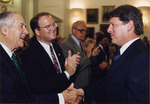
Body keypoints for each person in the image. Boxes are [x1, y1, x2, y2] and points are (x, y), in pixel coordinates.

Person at [0, 11, 79, 104]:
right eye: (21, 26)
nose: (26, 32)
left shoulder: (12, 56)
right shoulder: (27, 54)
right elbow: (16, 99)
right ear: (4, 29)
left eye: (53, 25)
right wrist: (61, 97)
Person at [77, 5, 149, 104]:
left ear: (129, 25)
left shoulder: (141, 58)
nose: (108, 30)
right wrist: (81, 92)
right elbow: (108, 81)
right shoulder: (124, 52)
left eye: (113, 25)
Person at [21, 12, 80, 96]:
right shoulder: (30, 54)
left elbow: (64, 76)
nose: (53, 28)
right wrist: (67, 73)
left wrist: (72, 65)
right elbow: (40, 86)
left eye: (53, 24)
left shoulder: (56, 47)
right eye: (48, 26)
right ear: (37, 31)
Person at [60, 21, 100, 89]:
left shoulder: (82, 43)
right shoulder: (66, 44)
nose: (84, 33)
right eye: (81, 30)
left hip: (85, 83)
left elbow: (86, 62)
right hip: (75, 85)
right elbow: (73, 68)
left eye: (85, 31)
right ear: (73, 30)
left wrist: (92, 55)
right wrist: (88, 56)